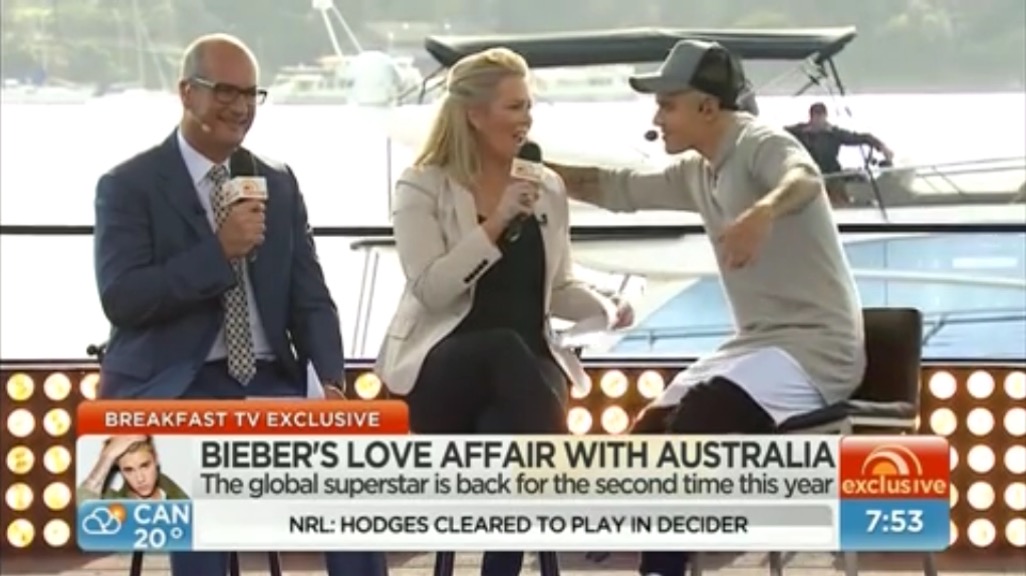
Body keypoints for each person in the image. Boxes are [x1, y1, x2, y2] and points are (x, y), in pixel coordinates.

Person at [546, 40, 865, 576]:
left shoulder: (759, 141)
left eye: (667, 105)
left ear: (708, 107)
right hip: (758, 345)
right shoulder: (698, 170)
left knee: (701, 417)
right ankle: (634, 542)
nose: (657, 118)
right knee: (654, 426)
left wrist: (762, 213)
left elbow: (804, 178)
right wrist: (528, 168)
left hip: (818, 350)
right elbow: (617, 187)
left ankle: (664, 559)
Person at [92, 33, 387, 576]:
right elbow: (123, 299)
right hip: (174, 383)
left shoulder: (276, 180)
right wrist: (218, 252)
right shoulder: (129, 185)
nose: (241, 107)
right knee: (204, 463)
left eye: (251, 94)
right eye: (225, 91)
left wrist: (331, 382)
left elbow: (312, 298)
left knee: (351, 462)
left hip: (272, 380)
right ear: (187, 93)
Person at [375, 47, 632, 576]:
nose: (527, 119)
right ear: (475, 114)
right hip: (443, 373)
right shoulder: (422, 185)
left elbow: (558, 287)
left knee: (512, 442)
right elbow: (431, 290)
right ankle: (578, 494)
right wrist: (495, 224)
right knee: (501, 347)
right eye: (514, 107)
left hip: (527, 380)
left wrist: (607, 305)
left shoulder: (547, 187)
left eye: (529, 106)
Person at [784, 102, 895, 205]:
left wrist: (882, 147)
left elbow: (862, 137)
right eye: (815, 117)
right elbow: (780, 133)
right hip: (809, 174)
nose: (818, 121)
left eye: (821, 117)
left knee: (839, 194)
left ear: (825, 117)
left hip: (832, 174)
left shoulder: (834, 133)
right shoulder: (800, 131)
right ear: (811, 117)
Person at [77, 436, 188, 501]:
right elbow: (81, 510)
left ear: (156, 459)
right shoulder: (113, 504)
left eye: (145, 466)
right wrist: (107, 457)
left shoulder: (180, 499)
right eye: (129, 470)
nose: (140, 479)